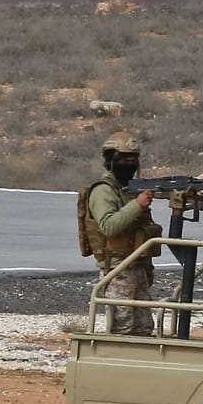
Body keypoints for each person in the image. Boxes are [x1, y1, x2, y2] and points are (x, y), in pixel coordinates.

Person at [79, 131, 162, 336]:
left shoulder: (127, 191)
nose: (130, 163)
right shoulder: (103, 191)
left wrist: (147, 266)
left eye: (133, 159)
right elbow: (109, 226)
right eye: (124, 158)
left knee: (143, 327)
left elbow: (142, 231)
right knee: (122, 328)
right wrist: (137, 204)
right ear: (111, 160)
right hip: (117, 270)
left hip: (137, 268)